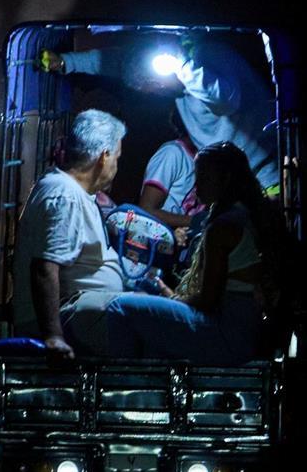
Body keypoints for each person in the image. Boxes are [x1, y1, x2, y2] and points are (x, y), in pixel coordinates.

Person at [40, 35, 278, 234]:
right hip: (227, 183)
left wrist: (183, 68)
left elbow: (226, 101)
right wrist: (65, 62)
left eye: (154, 86)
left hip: (265, 171)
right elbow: (116, 62)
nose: (157, 92)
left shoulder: (207, 59)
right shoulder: (171, 86)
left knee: (267, 235)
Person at [105, 141, 286, 365]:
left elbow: (208, 301)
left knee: (119, 306)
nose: (197, 185)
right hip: (244, 332)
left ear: (225, 179)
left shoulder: (223, 227)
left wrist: (173, 298)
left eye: (204, 177)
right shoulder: (248, 215)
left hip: (225, 334)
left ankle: (123, 384)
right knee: (152, 323)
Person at [11, 109, 128, 360]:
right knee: (154, 318)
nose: (116, 166)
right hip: (72, 319)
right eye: (117, 158)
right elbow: (44, 268)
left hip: (85, 313)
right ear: (103, 157)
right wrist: (54, 337)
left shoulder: (76, 192)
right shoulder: (65, 195)